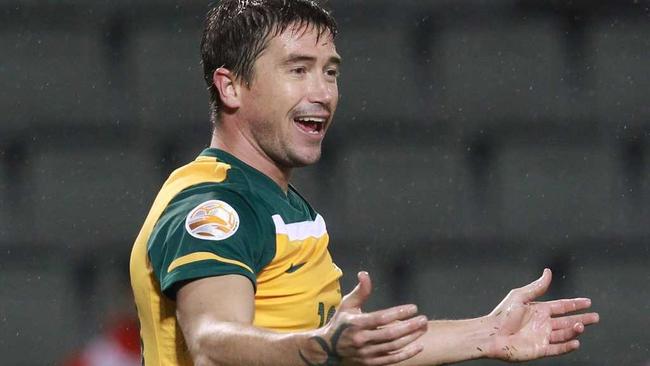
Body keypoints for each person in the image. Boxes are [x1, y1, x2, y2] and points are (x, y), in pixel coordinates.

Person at [129, 1, 599, 365]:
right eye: (298, 70)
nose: (322, 92)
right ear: (231, 86)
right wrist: (320, 347)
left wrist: (489, 332)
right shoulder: (215, 204)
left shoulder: (279, 201)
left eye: (329, 71)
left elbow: (345, 348)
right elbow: (212, 341)